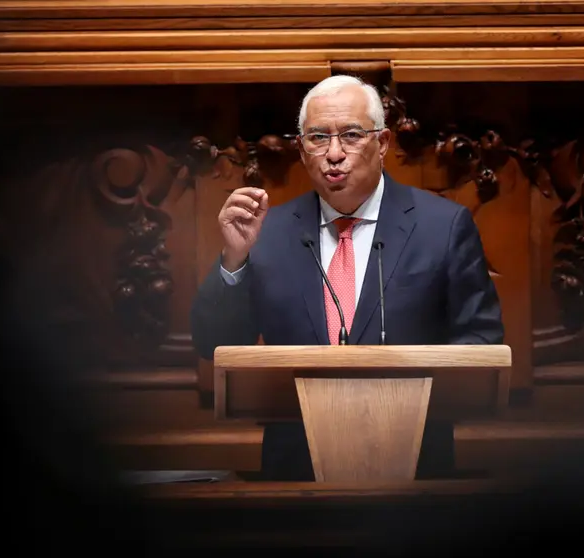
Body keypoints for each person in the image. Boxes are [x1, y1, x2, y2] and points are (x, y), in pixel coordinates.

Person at [190, 74, 504, 481]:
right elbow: (212, 344)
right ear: (302, 151)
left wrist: (411, 386)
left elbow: (482, 341)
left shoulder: (442, 226)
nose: (333, 153)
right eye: (318, 138)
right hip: (294, 473)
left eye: (352, 135)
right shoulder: (266, 232)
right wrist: (234, 260)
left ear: (384, 144)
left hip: (416, 470)